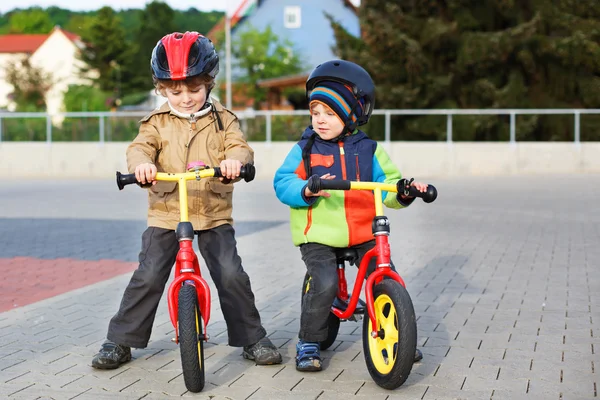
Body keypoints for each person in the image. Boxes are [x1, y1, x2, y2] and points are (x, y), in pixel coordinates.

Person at [92, 31, 281, 369]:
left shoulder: (224, 120)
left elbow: (239, 146)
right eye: (175, 91)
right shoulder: (156, 123)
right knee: (149, 274)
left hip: (212, 212)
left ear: (209, 83)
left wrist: (235, 162)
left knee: (230, 272)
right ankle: (120, 341)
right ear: (161, 89)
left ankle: (252, 338)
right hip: (166, 213)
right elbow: (139, 147)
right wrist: (142, 166)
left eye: (194, 89)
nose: (185, 98)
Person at [273, 59, 427, 372]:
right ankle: (309, 341)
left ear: (349, 115)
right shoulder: (306, 148)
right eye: (315, 112)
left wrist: (405, 191)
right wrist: (306, 189)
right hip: (319, 234)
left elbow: (389, 186)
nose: (320, 120)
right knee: (325, 283)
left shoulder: (370, 150)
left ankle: (400, 337)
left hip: (364, 231)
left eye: (329, 113)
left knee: (383, 274)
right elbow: (283, 180)